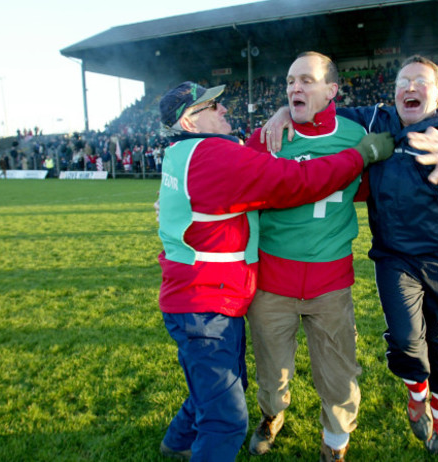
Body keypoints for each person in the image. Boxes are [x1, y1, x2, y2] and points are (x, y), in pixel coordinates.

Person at [262, 54, 438, 455]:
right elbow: (324, 104)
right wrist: (285, 108)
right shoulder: (379, 120)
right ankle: (416, 393)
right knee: (407, 339)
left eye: (420, 82)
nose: (410, 88)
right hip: (393, 256)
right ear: (393, 93)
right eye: (402, 82)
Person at [155, 80, 392, 462]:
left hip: (202, 296)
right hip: (206, 302)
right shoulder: (214, 156)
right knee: (227, 418)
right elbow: (297, 181)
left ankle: (177, 441)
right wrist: (360, 156)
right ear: (189, 122)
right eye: (212, 107)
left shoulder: (185, 152)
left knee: (221, 383)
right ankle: (193, 441)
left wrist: (285, 114)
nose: (223, 109)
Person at [245, 52, 392, 462]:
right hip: (272, 282)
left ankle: (335, 444)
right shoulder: (266, 138)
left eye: (307, 80)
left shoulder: (355, 134)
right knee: (272, 373)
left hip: (330, 282)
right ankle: (271, 415)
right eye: (291, 81)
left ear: (332, 91)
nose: (295, 88)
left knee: (339, 374)